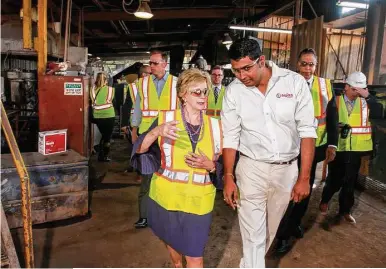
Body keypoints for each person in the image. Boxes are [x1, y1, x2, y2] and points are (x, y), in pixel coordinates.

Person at [221, 38, 317, 268]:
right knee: (253, 234)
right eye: (235, 70)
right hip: (251, 168)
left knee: (268, 232)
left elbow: (307, 132)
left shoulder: (293, 83)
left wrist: (304, 178)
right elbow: (231, 137)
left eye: (246, 68)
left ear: (261, 61)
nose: (241, 76)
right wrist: (228, 177)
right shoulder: (234, 92)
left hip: (286, 170)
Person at [131, 68, 222, 267]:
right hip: (166, 199)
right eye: (196, 91)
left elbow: (227, 166)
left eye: (205, 91)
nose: (203, 96)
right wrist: (157, 131)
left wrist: (211, 166)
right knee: (172, 241)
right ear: (182, 94)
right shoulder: (165, 120)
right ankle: (176, 264)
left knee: (195, 256)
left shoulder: (216, 126)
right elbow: (140, 150)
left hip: (198, 203)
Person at [275, 48, 339, 253]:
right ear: (297, 64)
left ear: (316, 66)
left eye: (311, 64)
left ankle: (292, 226)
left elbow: (332, 117)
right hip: (289, 148)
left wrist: (332, 144)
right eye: (304, 64)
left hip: (313, 148)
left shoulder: (325, 86)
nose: (307, 68)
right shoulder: (285, 83)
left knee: (305, 189)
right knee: (287, 190)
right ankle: (283, 232)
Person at [318, 71, 377, 224]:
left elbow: (379, 112)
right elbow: (331, 126)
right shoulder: (335, 101)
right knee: (335, 179)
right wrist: (331, 145)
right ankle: (325, 200)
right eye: (354, 90)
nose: (356, 93)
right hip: (339, 148)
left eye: (359, 90)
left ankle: (345, 210)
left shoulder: (366, 102)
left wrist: (368, 96)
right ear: (346, 87)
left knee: (350, 182)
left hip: (356, 149)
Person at [131, 50, 178, 229]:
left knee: (169, 175)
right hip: (147, 136)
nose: (151, 67)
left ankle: (168, 214)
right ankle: (144, 216)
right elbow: (137, 108)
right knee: (147, 176)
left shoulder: (177, 83)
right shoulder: (142, 84)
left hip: (170, 136)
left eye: (155, 63)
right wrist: (134, 131)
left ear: (165, 64)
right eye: (150, 63)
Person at [121, 65, 151, 179]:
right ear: (144, 75)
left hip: (148, 122)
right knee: (139, 147)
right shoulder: (133, 87)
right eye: (150, 73)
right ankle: (140, 172)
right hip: (137, 123)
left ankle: (138, 168)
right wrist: (124, 124)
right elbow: (127, 106)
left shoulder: (153, 85)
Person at [90, 72, 115, 162]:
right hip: (109, 115)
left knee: (104, 136)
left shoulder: (92, 89)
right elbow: (112, 101)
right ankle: (103, 157)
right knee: (107, 138)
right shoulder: (110, 89)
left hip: (97, 116)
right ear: (106, 80)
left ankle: (101, 155)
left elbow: (93, 101)